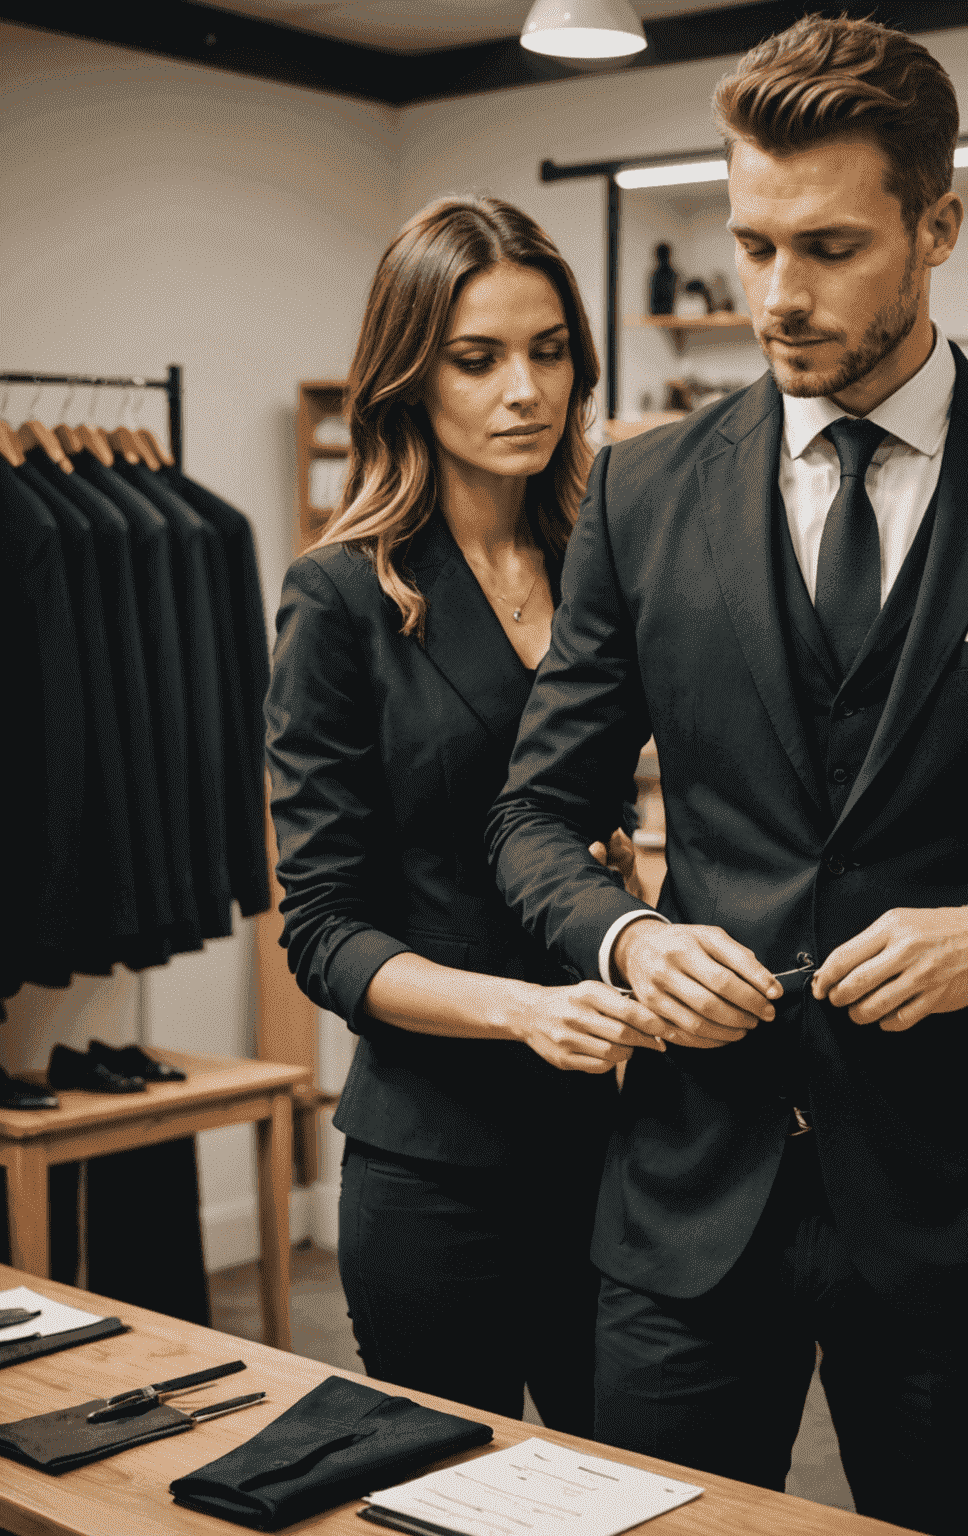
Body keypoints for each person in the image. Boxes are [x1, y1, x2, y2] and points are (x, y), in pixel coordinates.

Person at [487, 18, 968, 1535]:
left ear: (938, 228)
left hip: (944, 1203)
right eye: (755, 242)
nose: (777, 295)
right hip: (684, 1197)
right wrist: (629, 937)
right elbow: (531, 818)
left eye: (831, 247)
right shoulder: (642, 491)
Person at [266, 195, 666, 1431]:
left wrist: (638, 894)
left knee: (647, 1490)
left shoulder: (610, 568)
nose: (524, 391)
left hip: (618, 1143)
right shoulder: (342, 599)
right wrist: (523, 1012)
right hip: (438, 1162)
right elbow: (322, 928)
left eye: (550, 352)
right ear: (408, 376)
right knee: (458, 1503)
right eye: (477, 358)